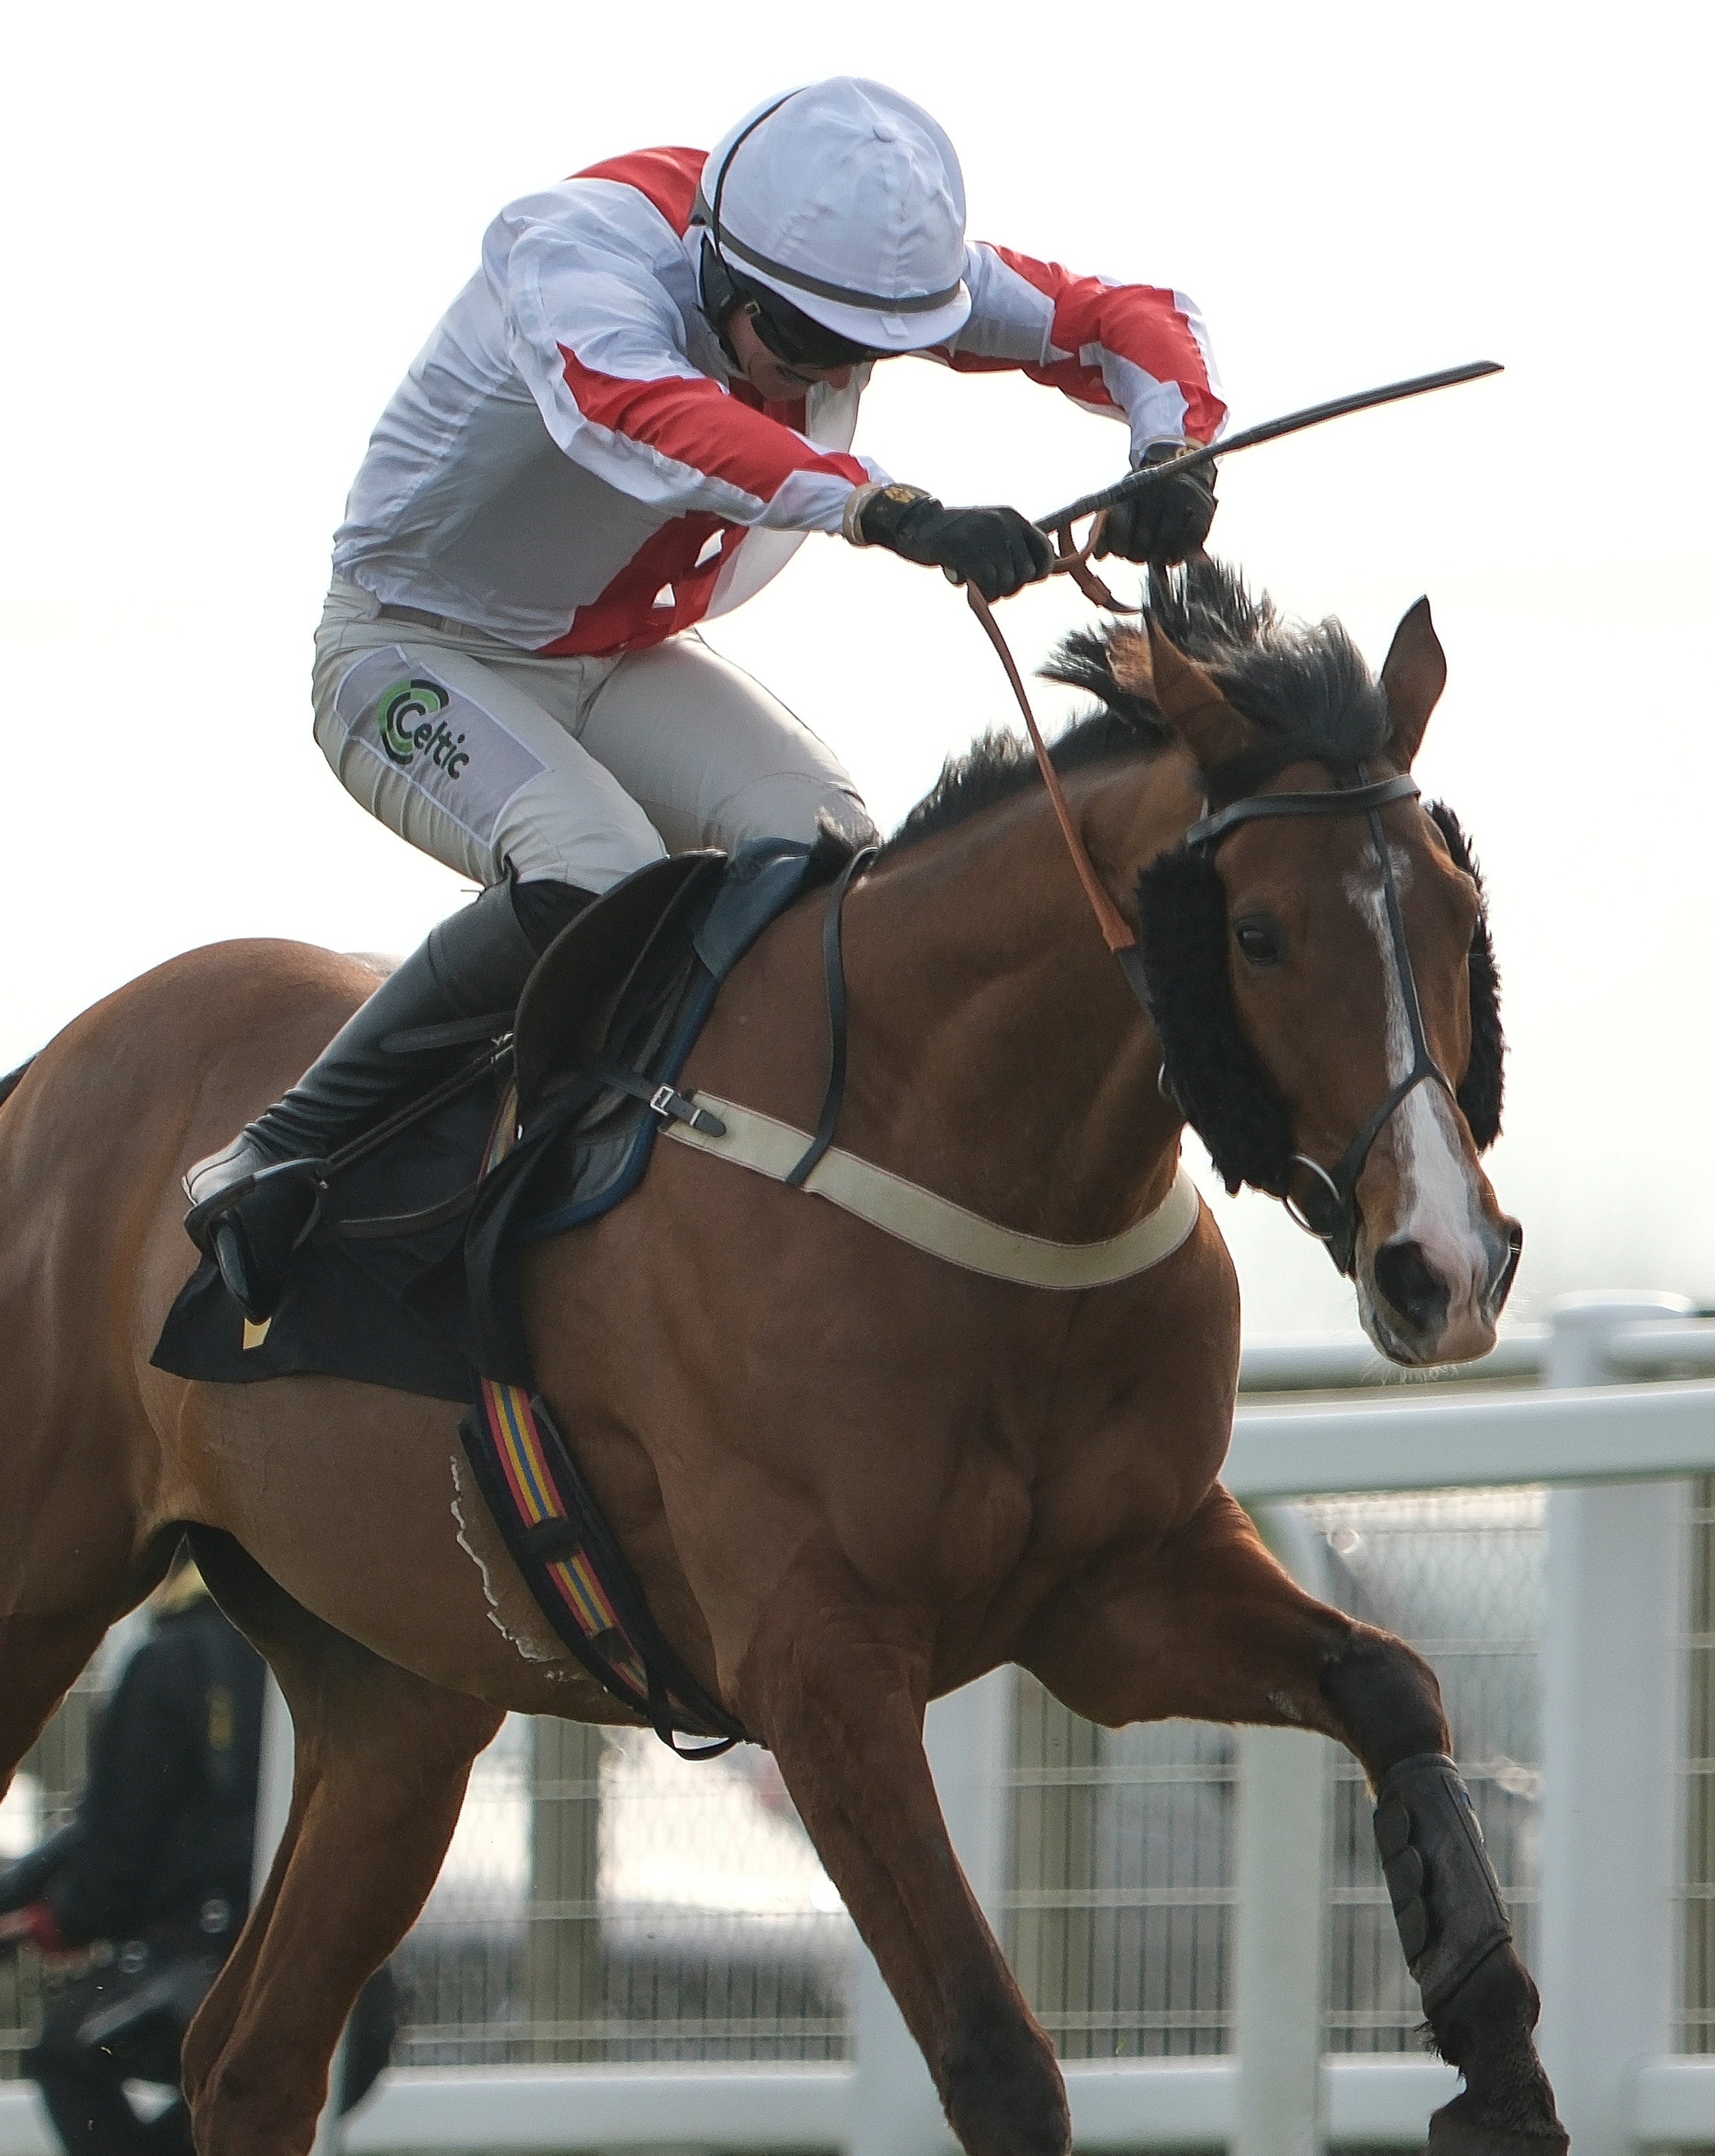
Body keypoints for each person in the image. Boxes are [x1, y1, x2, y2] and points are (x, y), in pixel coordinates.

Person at [181, 76, 1229, 1319]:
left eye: (864, 357)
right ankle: (278, 1150)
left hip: (620, 660)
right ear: (719, 272)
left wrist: (1173, 453)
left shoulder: (827, 269)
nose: (828, 376)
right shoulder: (572, 254)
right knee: (600, 873)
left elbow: (1126, 318)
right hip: (410, 652)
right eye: (805, 350)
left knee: (836, 859)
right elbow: (649, 413)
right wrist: (887, 508)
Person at [0, 1561, 398, 2156]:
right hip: (358, 2007)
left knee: (63, 2057)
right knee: (216, 2142)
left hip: (209, 1985)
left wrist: (53, 1919)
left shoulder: (169, 1661)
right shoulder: (340, 1653)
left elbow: (112, 1855)